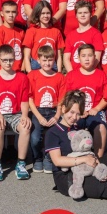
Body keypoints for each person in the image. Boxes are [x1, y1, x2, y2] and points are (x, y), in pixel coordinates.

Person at [0, 45, 33, 181]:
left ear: (15, 59)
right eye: (4, 60)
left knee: (25, 127)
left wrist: (25, 116)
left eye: (11, 60)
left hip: (16, 113)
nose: (8, 63)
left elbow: (24, 101)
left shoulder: (22, 78)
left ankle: (21, 163)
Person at [65, 44, 107, 157]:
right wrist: (79, 111)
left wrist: (96, 108)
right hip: (77, 111)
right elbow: (68, 98)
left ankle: (98, 158)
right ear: (78, 58)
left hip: (95, 110)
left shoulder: (101, 75)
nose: (87, 58)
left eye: (90, 55)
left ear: (94, 57)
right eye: (83, 56)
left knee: (101, 128)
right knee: (69, 126)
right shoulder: (72, 75)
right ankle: (74, 156)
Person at [28, 45, 65, 173]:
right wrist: (39, 117)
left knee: (53, 135)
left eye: (50, 60)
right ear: (38, 60)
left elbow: (61, 100)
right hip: (38, 111)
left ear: (54, 60)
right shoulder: (32, 75)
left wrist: (57, 116)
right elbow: (30, 99)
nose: (47, 63)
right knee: (35, 138)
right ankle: (37, 158)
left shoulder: (59, 77)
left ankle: (48, 158)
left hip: (54, 111)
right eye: (44, 60)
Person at [22, 1, 64, 73]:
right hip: (36, 65)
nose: (46, 16)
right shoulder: (31, 31)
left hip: (52, 65)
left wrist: (59, 72)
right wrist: (29, 72)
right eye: (43, 13)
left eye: (48, 13)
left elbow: (59, 56)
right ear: (38, 14)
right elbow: (26, 56)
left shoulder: (56, 32)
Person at [63, 0, 104, 72]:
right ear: (76, 15)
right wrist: (72, 74)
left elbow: (97, 58)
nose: (82, 15)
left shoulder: (96, 34)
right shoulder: (70, 35)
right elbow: (66, 58)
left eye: (85, 12)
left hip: (89, 73)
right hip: (74, 73)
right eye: (80, 13)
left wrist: (85, 73)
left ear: (90, 14)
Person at [0, 0, 25, 72]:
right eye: (7, 12)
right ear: (2, 13)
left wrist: (22, 69)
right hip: (4, 71)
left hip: (19, 71)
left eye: (13, 12)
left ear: (17, 13)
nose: (11, 15)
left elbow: (24, 54)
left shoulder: (21, 32)